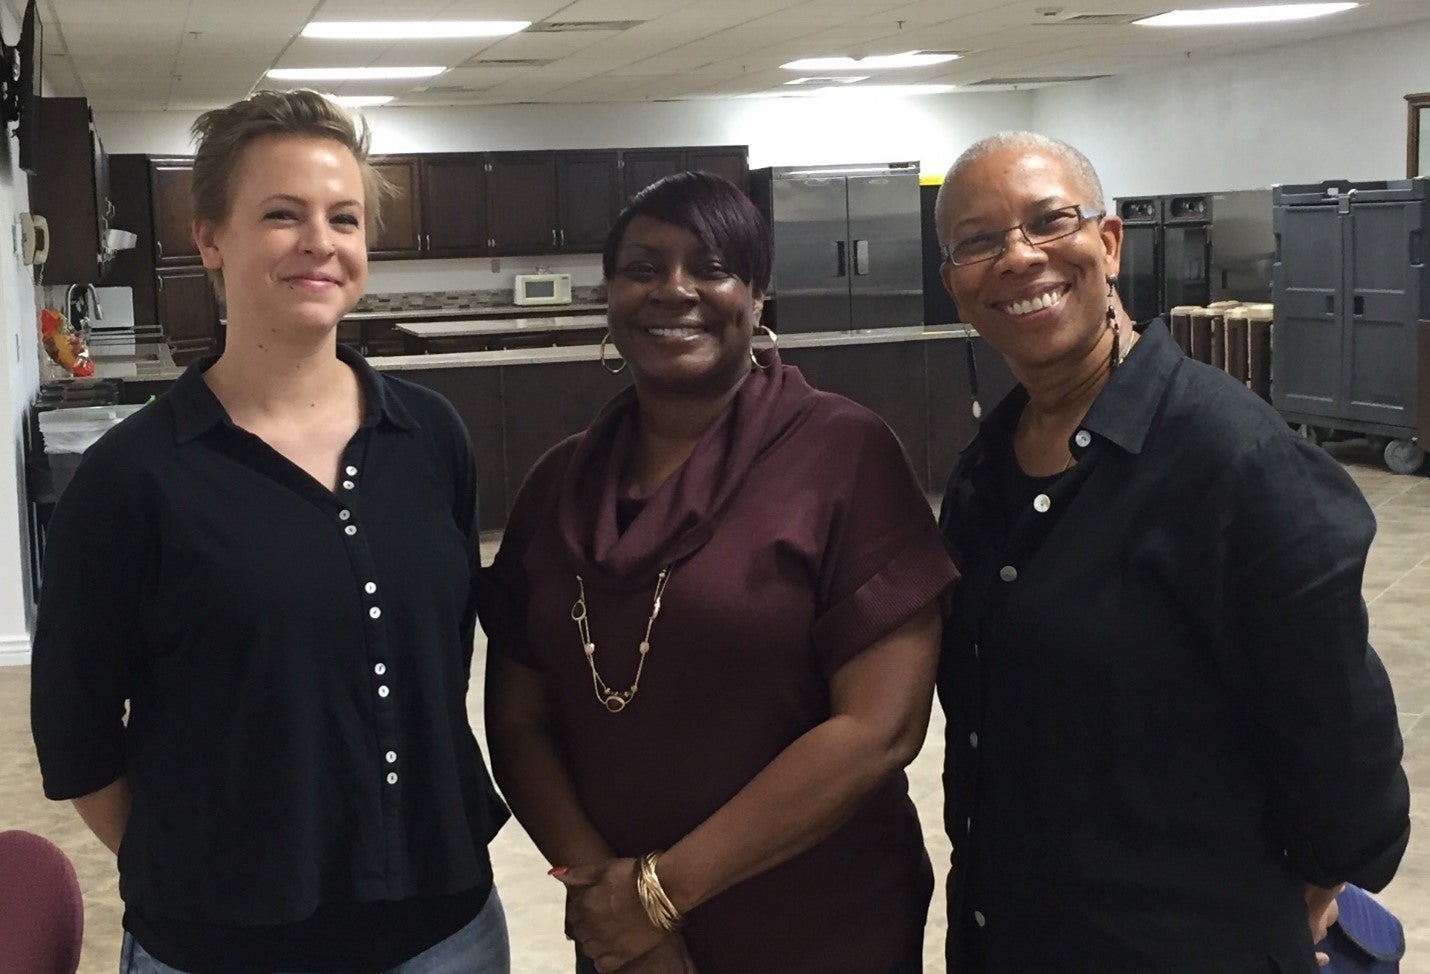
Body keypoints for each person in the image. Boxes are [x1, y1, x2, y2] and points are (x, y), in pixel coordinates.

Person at [30, 90, 511, 974]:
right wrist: (206, 867)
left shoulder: (430, 436)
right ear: (211, 237)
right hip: (221, 947)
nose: (319, 242)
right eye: (281, 215)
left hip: (446, 932)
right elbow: (77, 730)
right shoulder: (134, 479)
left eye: (344, 217)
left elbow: (438, 658)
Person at [932, 131, 1411, 972]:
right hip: (1015, 930)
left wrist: (1304, 888)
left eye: (1050, 221)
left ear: (1107, 244)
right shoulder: (985, 475)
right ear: (956, 285)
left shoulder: (1233, 460)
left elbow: (1343, 746)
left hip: (1181, 938)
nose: (1018, 257)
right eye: (979, 241)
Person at [483, 171, 957, 974]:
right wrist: (605, 899)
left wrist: (660, 895)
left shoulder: (842, 455)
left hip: (819, 924)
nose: (675, 290)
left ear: (757, 295)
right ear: (610, 296)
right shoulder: (560, 485)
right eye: (643, 268)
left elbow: (880, 729)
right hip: (625, 941)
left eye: (711, 266)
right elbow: (519, 721)